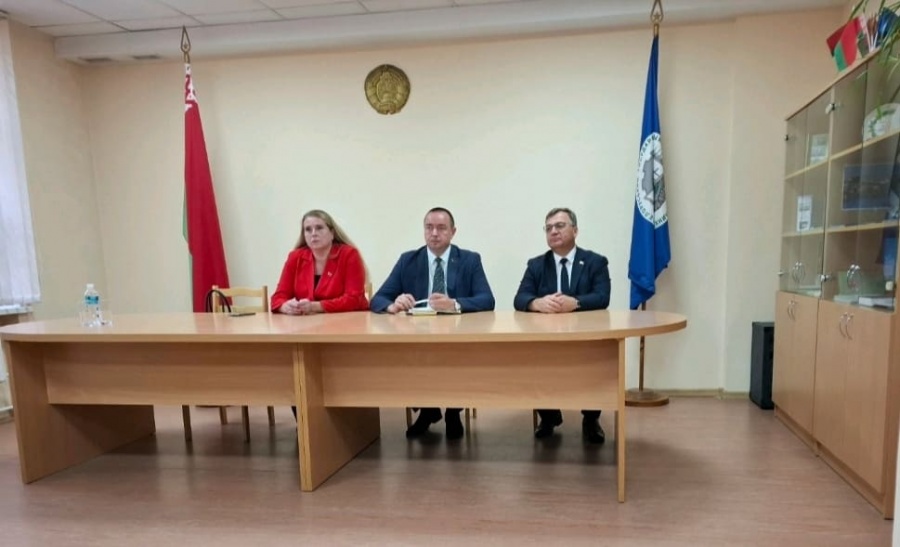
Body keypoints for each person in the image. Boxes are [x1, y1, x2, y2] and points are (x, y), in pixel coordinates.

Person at [370, 207, 495, 440]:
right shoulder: (409, 260)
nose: (434, 233)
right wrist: (393, 305)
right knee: (412, 356)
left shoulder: (469, 260)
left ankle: (453, 412)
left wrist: (454, 304)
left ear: (453, 232)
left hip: (458, 335)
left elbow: (487, 299)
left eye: (441, 228)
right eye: (429, 228)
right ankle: (428, 410)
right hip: (419, 336)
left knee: (455, 357)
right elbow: (378, 298)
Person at [513, 207, 611, 444]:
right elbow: (520, 298)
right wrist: (536, 303)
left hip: (585, 337)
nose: (553, 231)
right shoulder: (536, 265)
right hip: (546, 337)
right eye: (548, 228)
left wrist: (575, 303)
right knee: (534, 362)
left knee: (594, 364)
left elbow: (602, 297)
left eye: (559, 226)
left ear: (575, 230)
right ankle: (549, 417)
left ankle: (591, 419)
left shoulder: (595, 262)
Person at [271, 209, 370, 315]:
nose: (313, 234)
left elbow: (354, 299)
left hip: (347, 320)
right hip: (307, 322)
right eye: (308, 229)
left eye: (319, 228)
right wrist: (285, 307)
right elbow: (278, 297)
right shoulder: (295, 257)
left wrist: (316, 306)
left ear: (332, 233)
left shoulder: (349, 254)